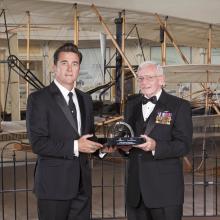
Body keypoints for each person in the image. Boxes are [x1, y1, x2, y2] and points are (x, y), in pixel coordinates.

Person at [26, 43, 104, 220]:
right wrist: (77, 146)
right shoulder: (39, 99)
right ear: (54, 67)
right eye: (64, 63)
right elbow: (38, 144)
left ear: (79, 68)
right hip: (53, 187)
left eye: (75, 64)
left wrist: (103, 148)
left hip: (82, 186)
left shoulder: (85, 99)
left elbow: (87, 137)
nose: (70, 69)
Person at [122, 61, 192, 220]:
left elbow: (184, 145)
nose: (144, 82)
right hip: (136, 192)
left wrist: (155, 146)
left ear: (161, 80)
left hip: (165, 192)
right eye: (140, 78)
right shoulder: (131, 105)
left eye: (149, 77)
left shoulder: (179, 106)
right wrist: (123, 148)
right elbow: (128, 136)